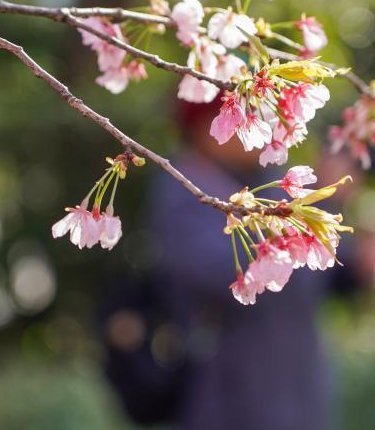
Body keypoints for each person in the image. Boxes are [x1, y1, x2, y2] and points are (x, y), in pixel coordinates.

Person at [137, 97, 362, 430]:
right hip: (229, 396)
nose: (259, 128)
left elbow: (320, 276)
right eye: (241, 119)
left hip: (299, 387)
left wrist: (359, 263)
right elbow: (217, 271)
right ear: (206, 128)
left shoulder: (267, 182)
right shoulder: (183, 192)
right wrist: (313, 204)